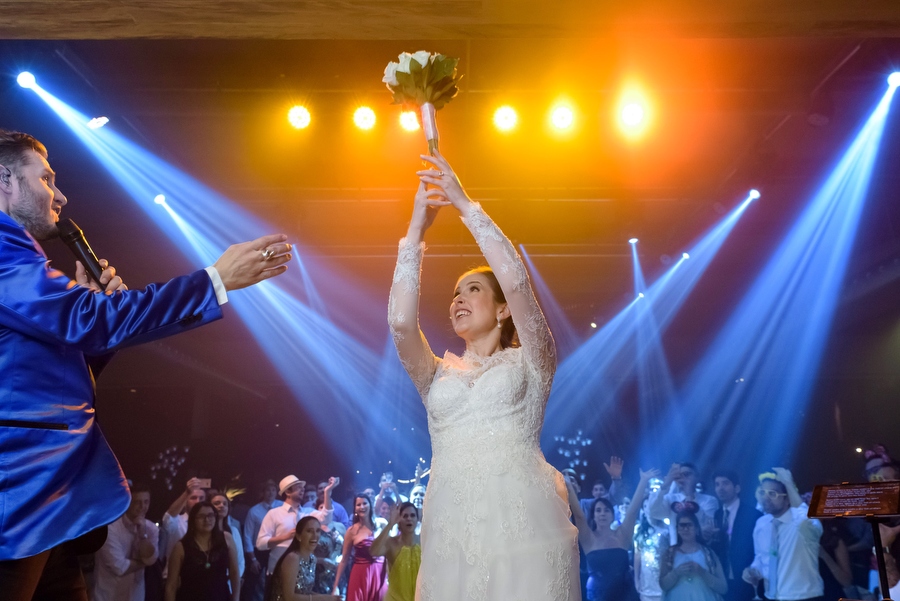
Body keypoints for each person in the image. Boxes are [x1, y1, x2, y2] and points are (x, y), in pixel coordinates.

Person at [0, 129, 291, 600]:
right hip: (16, 499)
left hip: (45, 504)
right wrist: (214, 280)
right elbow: (89, 322)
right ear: (5, 179)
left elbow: (56, 374)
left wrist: (96, 323)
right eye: (47, 178)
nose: (60, 194)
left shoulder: (21, 260)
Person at [388, 151, 580, 600]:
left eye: (472, 289)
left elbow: (516, 281)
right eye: (455, 293)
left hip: (523, 529)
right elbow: (400, 324)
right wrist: (415, 230)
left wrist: (464, 204)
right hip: (452, 529)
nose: (458, 299)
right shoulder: (435, 373)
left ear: (501, 310)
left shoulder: (534, 361)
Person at [567, 466, 658, 601]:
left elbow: (632, 511)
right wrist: (568, 484)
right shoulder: (588, 538)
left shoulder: (622, 535)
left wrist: (643, 481)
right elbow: (579, 516)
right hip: (598, 595)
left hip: (625, 595)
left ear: (612, 515)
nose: (602, 513)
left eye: (606, 510)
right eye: (598, 510)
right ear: (593, 516)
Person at [742, 468, 823, 601]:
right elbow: (761, 558)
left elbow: (806, 521)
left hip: (804, 597)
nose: (765, 498)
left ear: (787, 499)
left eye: (772, 494)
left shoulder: (801, 524)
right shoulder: (761, 523)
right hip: (771, 596)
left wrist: (788, 483)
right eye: (763, 492)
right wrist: (753, 570)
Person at [91, 481, 158, 601]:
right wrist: (145, 563)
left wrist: (142, 534)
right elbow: (120, 567)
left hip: (136, 596)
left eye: (146, 502)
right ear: (127, 502)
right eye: (137, 502)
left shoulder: (151, 528)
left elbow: (151, 558)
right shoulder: (109, 528)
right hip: (107, 596)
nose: (143, 507)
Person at [257, 476, 338, 575]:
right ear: (288, 492)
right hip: (278, 571)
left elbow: (327, 518)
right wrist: (286, 537)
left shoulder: (307, 513)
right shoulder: (274, 514)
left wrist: (327, 492)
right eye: (298, 487)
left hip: (302, 571)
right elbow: (260, 544)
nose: (303, 489)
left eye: (303, 487)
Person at [165, 502, 241, 601]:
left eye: (211, 515)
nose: (207, 520)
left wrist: (236, 598)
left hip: (221, 596)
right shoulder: (181, 547)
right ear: (193, 520)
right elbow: (171, 585)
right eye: (201, 516)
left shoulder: (226, 538)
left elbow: (234, 573)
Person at [708, 471, 761, 601]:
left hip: (747, 575)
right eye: (717, 484)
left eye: (725, 483)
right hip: (724, 576)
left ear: (737, 488)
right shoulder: (718, 514)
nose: (720, 488)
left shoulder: (752, 515)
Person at [265, 515, 339, 601]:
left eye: (318, 531)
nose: (315, 535)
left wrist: (329, 598)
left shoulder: (312, 558)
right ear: (298, 536)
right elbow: (289, 597)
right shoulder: (293, 558)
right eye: (309, 531)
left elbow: (305, 593)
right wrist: (322, 598)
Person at [658, 511, 728, 601]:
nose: (686, 529)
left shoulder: (708, 554)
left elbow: (723, 588)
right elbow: (663, 585)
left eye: (689, 525)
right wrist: (676, 573)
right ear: (677, 529)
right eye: (682, 525)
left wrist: (702, 572)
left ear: (697, 529)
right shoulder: (669, 554)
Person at [650, 463, 719, 548]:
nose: (683, 479)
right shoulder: (670, 499)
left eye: (687, 474)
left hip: (702, 551)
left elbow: (707, 526)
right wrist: (664, 486)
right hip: (676, 553)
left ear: (697, 478)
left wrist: (690, 497)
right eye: (679, 476)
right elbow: (654, 513)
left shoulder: (709, 500)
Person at [332, 494, 386, 601]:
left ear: (370, 505)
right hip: (360, 574)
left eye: (365, 503)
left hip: (380, 573)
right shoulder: (351, 531)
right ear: (355, 508)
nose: (362, 507)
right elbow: (344, 560)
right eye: (358, 504)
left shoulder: (382, 524)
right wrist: (336, 586)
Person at [244, 480, 285, 601]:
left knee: (275, 580)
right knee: (253, 582)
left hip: (278, 549)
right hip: (260, 551)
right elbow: (247, 536)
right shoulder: (254, 511)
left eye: (273, 490)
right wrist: (252, 559)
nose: (270, 493)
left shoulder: (283, 506)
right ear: (263, 492)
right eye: (268, 490)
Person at [371, 503, 421, 601]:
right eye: (405, 516)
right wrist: (390, 524)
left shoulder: (424, 541)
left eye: (412, 515)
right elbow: (373, 551)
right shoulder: (391, 543)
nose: (409, 519)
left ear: (417, 519)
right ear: (398, 520)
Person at [161, 479, 208, 570]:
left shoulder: (209, 524)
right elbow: (168, 518)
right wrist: (187, 492)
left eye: (201, 498)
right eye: (193, 498)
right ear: (185, 502)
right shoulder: (178, 522)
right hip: (177, 577)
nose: (198, 501)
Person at [212, 492, 247, 582]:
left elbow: (240, 560)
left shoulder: (233, 531)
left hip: (228, 582)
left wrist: (233, 580)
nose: (221, 506)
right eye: (217, 503)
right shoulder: (204, 531)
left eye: (225, 504)